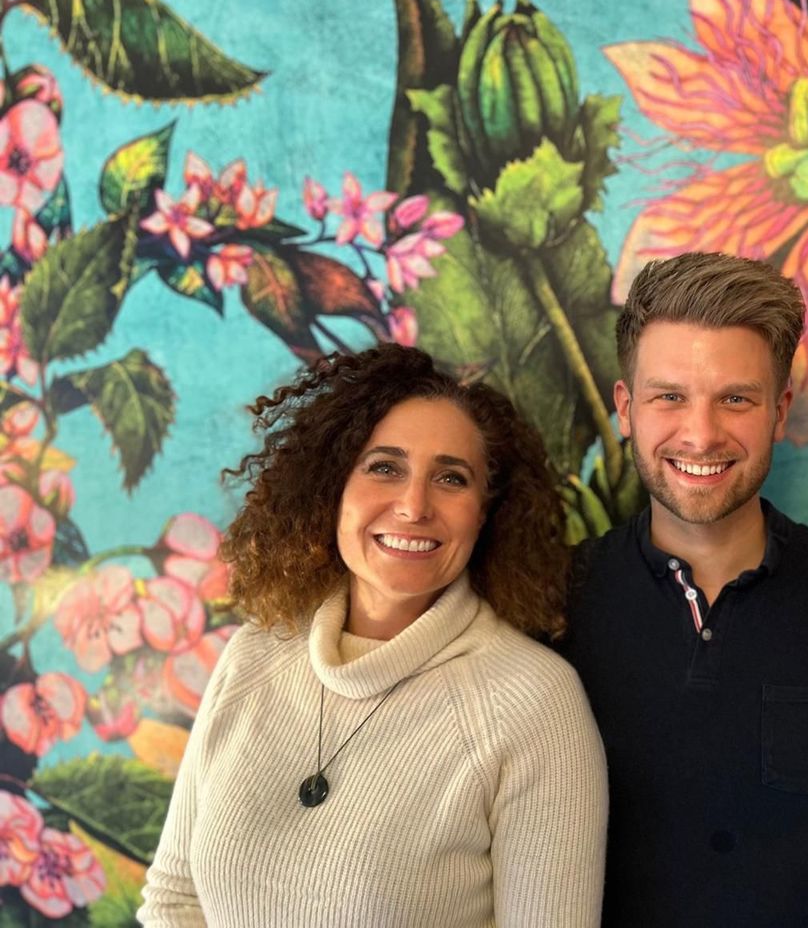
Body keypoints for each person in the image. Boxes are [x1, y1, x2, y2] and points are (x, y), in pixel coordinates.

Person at [139, 344, 608, 927]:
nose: (413, 506)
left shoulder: (535, 704)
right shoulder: (255, 653)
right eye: (385, 467)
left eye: (451, 478)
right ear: (333, 487)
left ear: (485, 513)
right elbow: (174, 898)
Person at [556, 252, 808, 927]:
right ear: (626, 409)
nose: (700, 435)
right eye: (669, 396)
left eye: (736, 399)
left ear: (780, 411)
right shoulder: (553, 605)